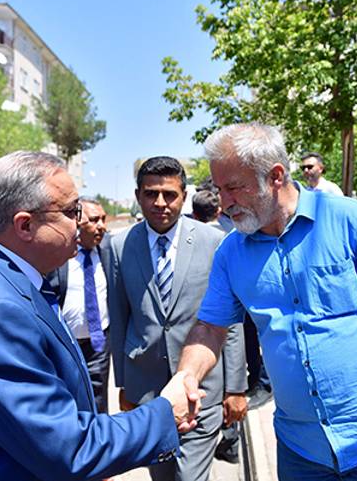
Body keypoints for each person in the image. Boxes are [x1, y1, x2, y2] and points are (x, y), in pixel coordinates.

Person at [176, 123, 357, 481]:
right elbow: (210, 326)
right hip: (300, 449)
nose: (224, 203)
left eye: (234, 188)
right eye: (219, 190)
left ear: (275, 176)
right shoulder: (231, 253)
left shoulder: (350, 219)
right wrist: (186, 376)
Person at [0, 151, 197, 481]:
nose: (80, 221)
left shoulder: (11, 280)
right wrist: (166, 413)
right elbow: (67, 447)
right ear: (25, 225)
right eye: (70, 211)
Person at [108, 156, 248, 481]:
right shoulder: (118, 246)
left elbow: (232, 321)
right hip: (148, 393)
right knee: (162, 477)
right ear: (138, 195)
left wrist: (236, 388)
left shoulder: (215, 242)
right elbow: (120, 317)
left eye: (169, 194)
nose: (160, 203)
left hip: (203, 390)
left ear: (184, 196)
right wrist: (125, 384)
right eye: (150, 194)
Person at [47, 198, 112, 413]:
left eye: (103, 219)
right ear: (76, 221)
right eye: (94, 220)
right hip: (65, 345)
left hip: (98, 345)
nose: (101, 226)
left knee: (98, 400)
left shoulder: (109, 251)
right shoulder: (58, 255)